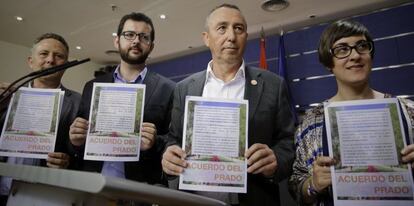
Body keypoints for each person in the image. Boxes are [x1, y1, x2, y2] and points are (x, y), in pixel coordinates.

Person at [161, 4, 295, 206]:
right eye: (222, 28)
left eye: (238, 28)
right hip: (193, 200)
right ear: (206, 38)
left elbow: (288, 142)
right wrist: (168, 156)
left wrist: (275, 160)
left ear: (246, 36)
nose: (231, 36)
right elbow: (174, 139)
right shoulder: (184, 88)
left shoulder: (273, 85)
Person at [288, 19, 414, 205]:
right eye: (342, 49)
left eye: (362, 46)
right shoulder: (312, 122)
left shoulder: (408, 111)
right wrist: (313, 183)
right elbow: (297, 187)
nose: (355, 55)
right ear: (328, 63)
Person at [68, 12, 175, 186]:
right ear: (117, 41)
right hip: (92, 183)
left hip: (139, 189)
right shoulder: (92, 86)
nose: (136, 41)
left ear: (151, 46)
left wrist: (154, 142)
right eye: (129, 34)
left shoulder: (168, 89)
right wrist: (75, 140)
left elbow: (172, 141)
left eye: (144, 37)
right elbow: (77, 143)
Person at [0, 33, 81, 204]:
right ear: (30, 61)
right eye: (44, 54)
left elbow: (83, 154)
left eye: (59, 56)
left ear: (66, 65)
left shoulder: (78, 102)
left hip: (45, 195)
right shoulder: (9, 96)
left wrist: (68, 162)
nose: (50, 60)